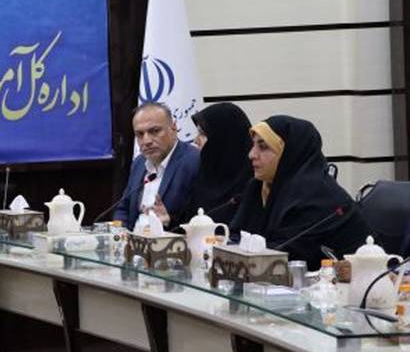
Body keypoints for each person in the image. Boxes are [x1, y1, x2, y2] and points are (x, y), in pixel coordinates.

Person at [229, 115, 369, 271]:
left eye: (263, 147)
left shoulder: (315, 194)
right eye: (253, 145)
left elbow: (289, 256)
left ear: (289, 152)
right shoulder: (259, 186)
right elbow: (235, 235)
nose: (251, 154)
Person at [113, 102, 200, 231]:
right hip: (133, 239)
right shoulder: (139, 163)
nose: (146, 141)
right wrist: (119, 233)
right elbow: (123, 209)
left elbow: (199, 218)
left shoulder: (193, 161)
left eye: (154, 131)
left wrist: (169, 221)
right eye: (140, 134)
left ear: (174, 128)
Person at [183, 102, 253, 224]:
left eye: (202, 134)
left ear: (224, 138)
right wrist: (169, 220)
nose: (195, 140)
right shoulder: (204, 176)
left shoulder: (253, 184)